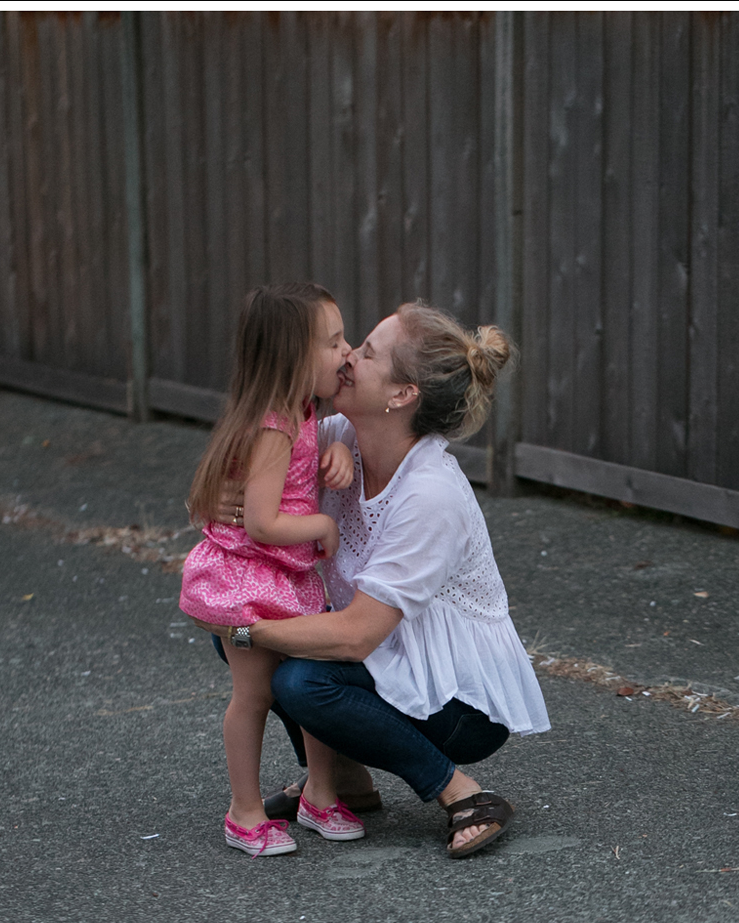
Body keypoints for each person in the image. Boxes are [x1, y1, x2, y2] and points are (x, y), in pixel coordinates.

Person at [217, 301, 550, 858]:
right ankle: (344, 780)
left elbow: (355, 636)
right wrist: (216, 502)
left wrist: (249, 631)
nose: (346, 357)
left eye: (366, 353)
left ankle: (461, 793)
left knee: (295, 674)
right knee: (240, 626)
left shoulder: (431, 495)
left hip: (459, 698)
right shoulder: (341, 432)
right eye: (352, 345)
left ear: (402, 395)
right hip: (388, 658)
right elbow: (247, 468)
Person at [179, 282, 366, 857]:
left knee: (308, 691)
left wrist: (339, 451)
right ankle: (244, 812)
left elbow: (314, 459)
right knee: (254, 694)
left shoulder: (304, 411)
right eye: (333, 343)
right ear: (292, 357)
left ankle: (320, 794)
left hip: (285, 580)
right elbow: (262, 523)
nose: (348, 352)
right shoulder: (274, 427)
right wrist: (322, 527)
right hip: (247, 585)